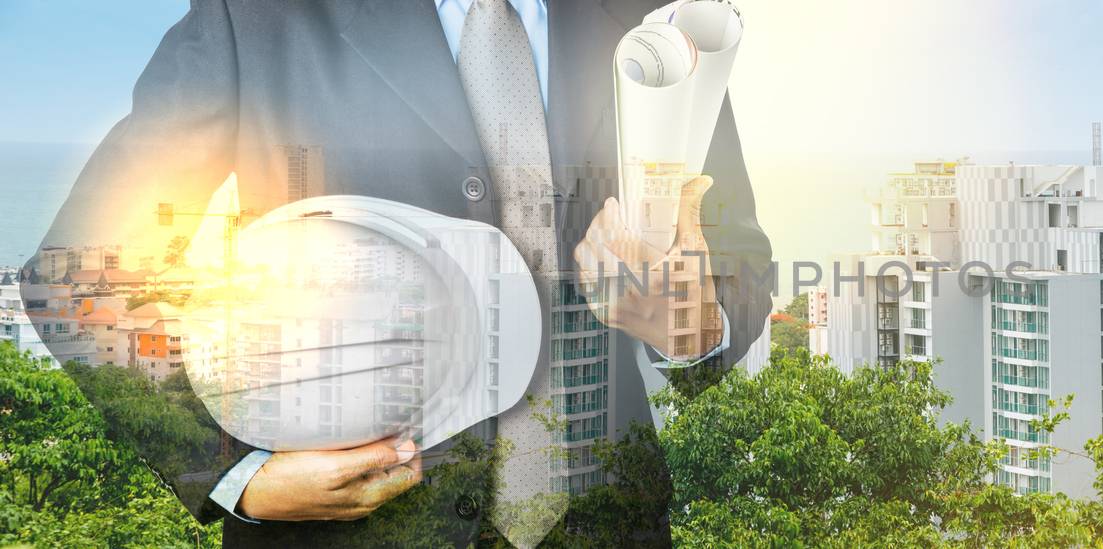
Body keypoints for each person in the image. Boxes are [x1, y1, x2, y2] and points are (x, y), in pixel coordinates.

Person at [26, 0, 771, 545]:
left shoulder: (658, 28)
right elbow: (76, 277)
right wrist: (236, 472)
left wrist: (689, 318)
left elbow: (736, 258)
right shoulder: (254, 17)